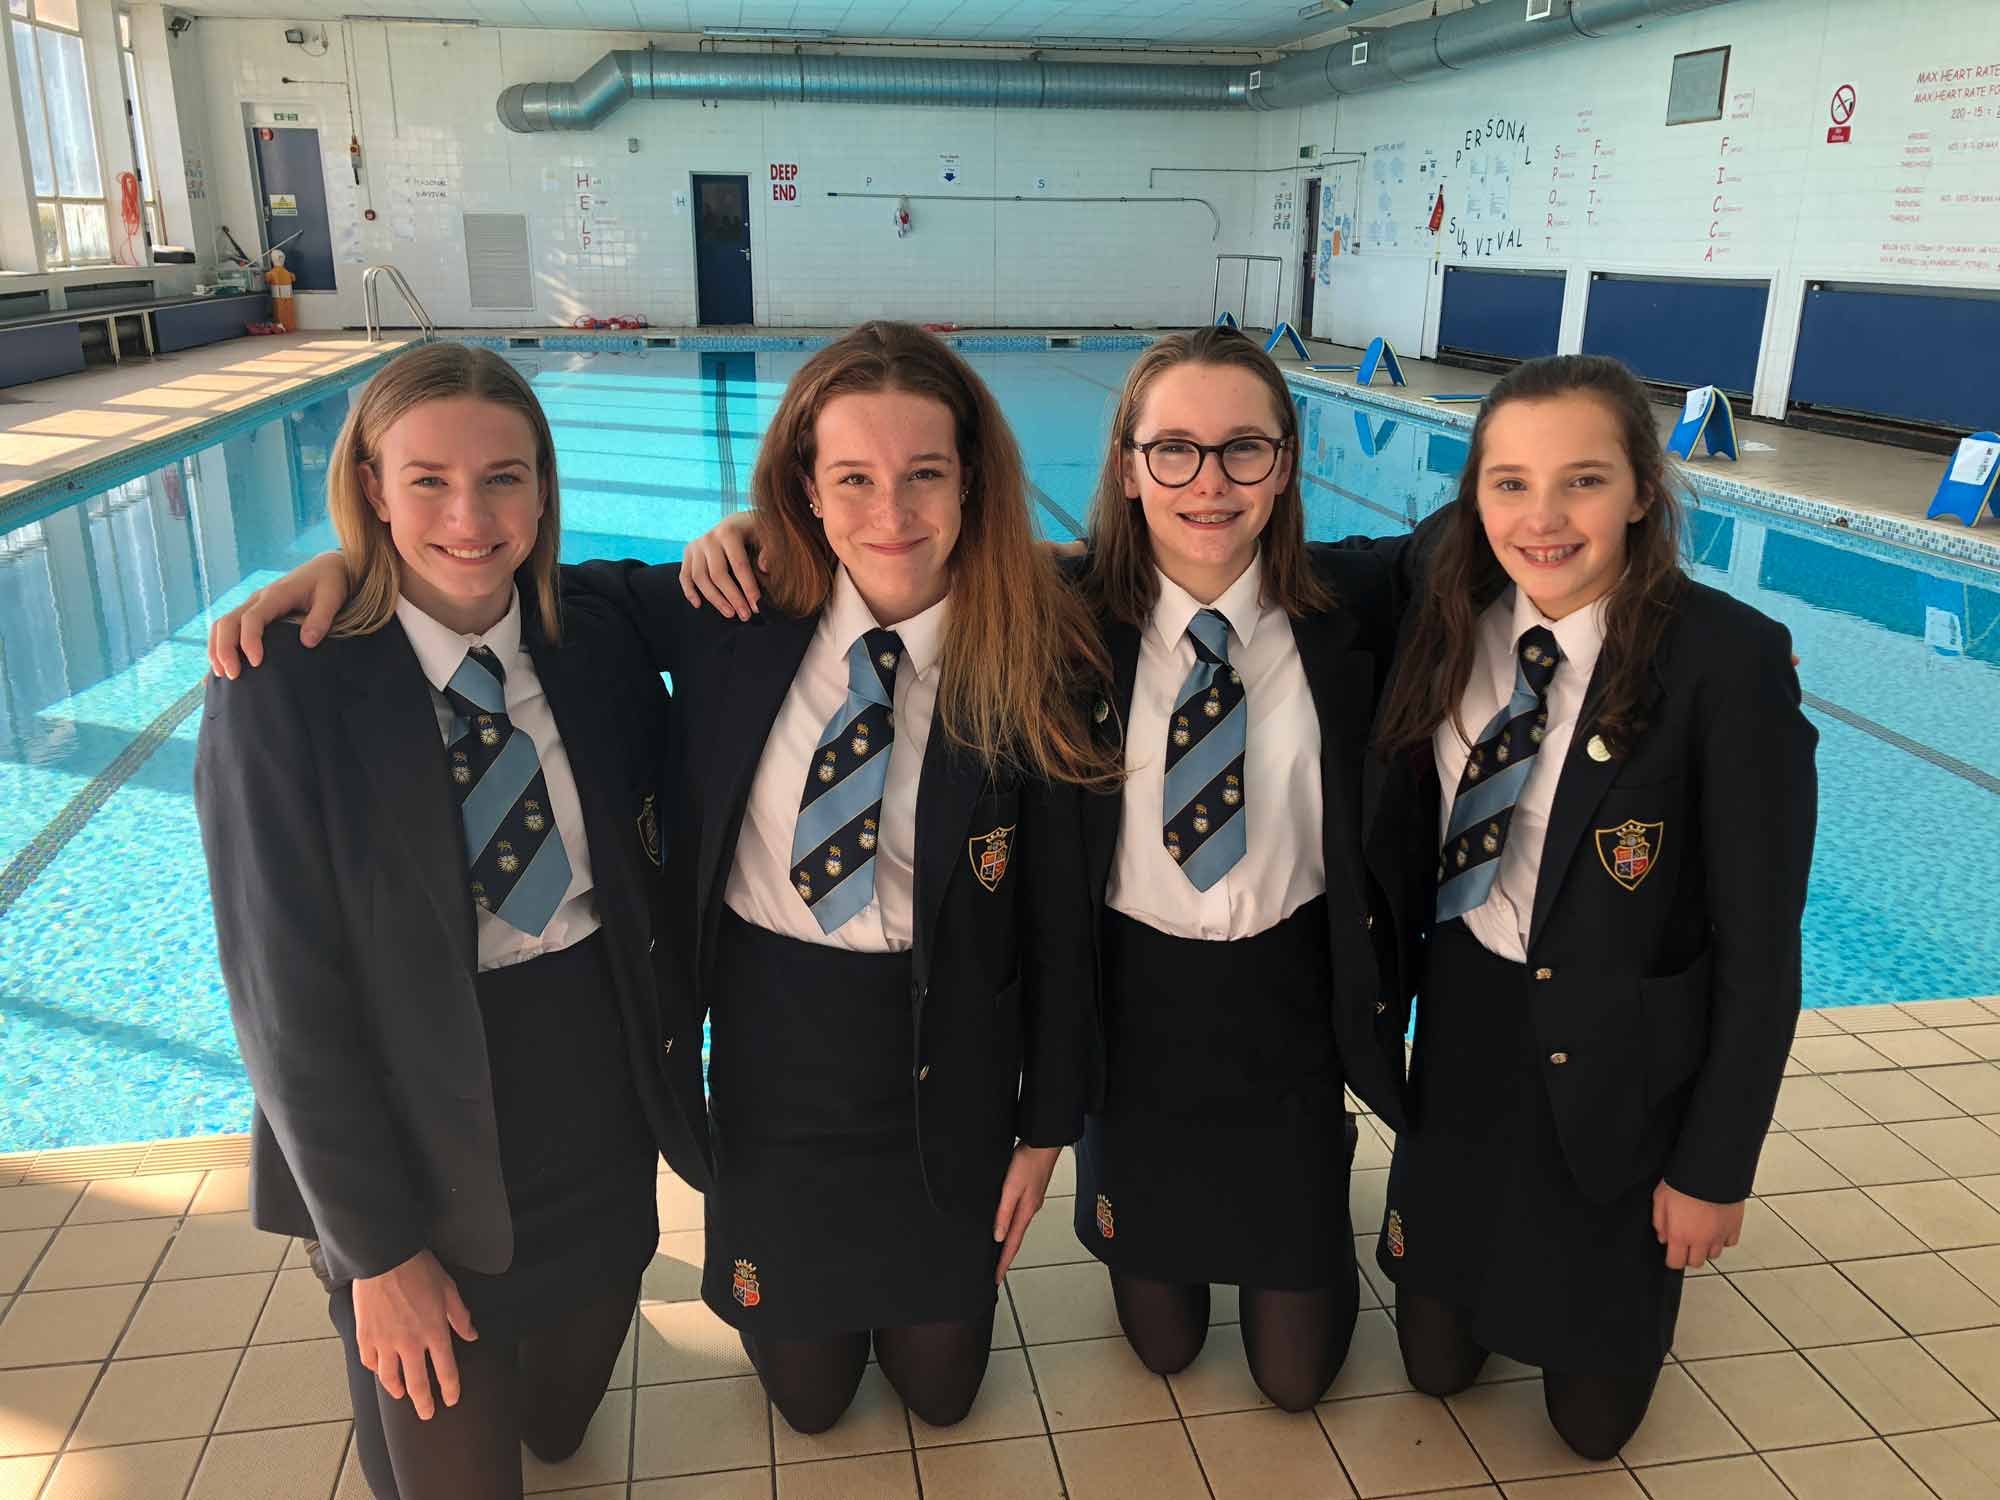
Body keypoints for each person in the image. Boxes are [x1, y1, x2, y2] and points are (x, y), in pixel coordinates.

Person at [207, 321, 1110, 1437]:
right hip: (782, 1071)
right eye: (852, 479)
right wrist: (348, 561)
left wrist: (1043, 1127)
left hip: (952, 1079)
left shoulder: (1033, 647)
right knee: (810, 1402)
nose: (890, 513)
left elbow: (1063, 923)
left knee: (939, 1393)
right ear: (804, 489)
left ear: (971, 483)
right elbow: (488, 578)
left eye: (924, 475)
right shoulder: (732, 617)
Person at [677, 325, 1415, 1411]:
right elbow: (893, 546)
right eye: (1172, 449)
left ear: (1287, 462)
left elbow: (1493, 535)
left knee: (1296, 1380)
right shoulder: (1067, 615)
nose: (1206, 483)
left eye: (1242, 450)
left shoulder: (1352, 606)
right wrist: (759, 526)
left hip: (1285, 1024)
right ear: (1124, 465)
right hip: (1130, 1027)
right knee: (1152, 1348)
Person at [194, 342, 712, 1500]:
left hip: (592, 1098)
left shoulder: (596, 631)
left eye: (504, 479)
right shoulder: (283, 686)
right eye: (426, 480)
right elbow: (283, 1005)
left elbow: (778, 596)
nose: (469, 518)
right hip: (410, 1130)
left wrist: (736, 541)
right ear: (370, 489)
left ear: (543, 489)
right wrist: (378, 1255)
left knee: (562, 1423)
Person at [1365, 353, 1817, 1458]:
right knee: (1430, 1373)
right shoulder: (1443, 588)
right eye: (1508, 482)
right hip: (1468, 1022)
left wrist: (1712, 1171)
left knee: (1586, 1432)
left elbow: (1760, 951)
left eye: (1582, 480)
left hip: (1621, 1063)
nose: (1542, 518)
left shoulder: (1724, 664)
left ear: (1641, 492)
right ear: (1469, 494)